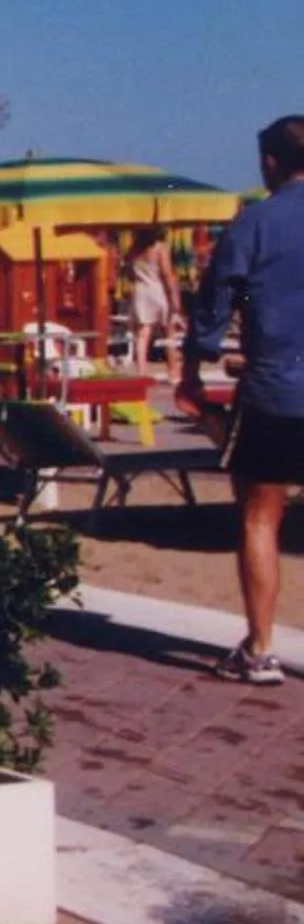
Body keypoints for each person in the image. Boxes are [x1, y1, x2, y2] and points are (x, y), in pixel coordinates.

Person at [179, 114, 304, 687]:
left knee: (260, 514)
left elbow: (224, 299)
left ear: (271, 162)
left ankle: (260, 650)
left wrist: (195, 367)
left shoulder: (255, 225)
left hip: (277, 388)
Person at [128, 230, 184, 381]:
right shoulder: (160, 248)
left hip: (140, 290)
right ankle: (173, 371)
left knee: (142, 334)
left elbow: (129, 273)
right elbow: (166, 273)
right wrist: (174, 297)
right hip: (157, 290)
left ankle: (141, 372)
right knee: (169, 332)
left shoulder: (134, 249)